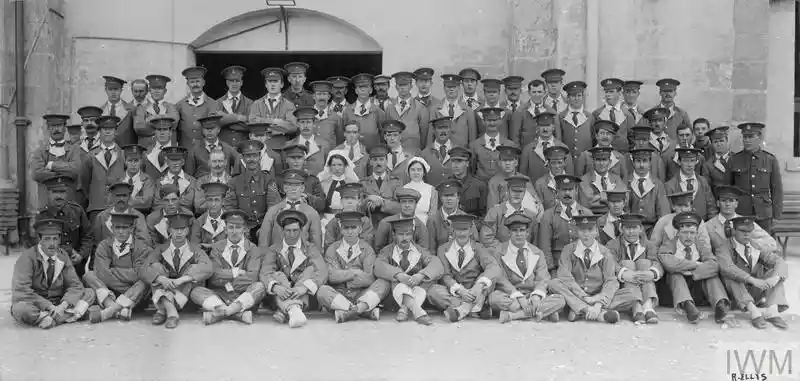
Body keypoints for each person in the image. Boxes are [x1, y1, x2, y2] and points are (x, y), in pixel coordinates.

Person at [550, 214, 638, 324]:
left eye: (590, 230)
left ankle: (581, 310)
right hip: (577, 293)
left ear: (596, 231)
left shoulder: (605, 252)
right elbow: (564, 276)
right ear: (577, 232)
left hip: (598, 294)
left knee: (631, 294)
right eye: (582, 230)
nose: (586, 234)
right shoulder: (568, 250)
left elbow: (610, 280)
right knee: (555, 283)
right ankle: (594, 312)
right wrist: (583, 296)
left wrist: (598, 303)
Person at [11, 219, 95, 329]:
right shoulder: (27, 258)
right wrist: (49, 306)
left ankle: (50, 319)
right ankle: (69, 315)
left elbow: (75, 285)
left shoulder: (62, 255)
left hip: (59, 303)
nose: (52, 244)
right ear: (39, 239)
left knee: (89, 292)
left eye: (55, 239)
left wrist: (64, 304)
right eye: (47, 239)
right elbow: (21, 290)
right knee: (19, 308)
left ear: (60, 239)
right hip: (36, 304)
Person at [189, 209, 266, 325]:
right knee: (195, 291)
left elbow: (253, 277)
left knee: (260, 287)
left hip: (243, 295)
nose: (234, 231)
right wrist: (235, 273)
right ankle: (237, 314)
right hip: (221, 295)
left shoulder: (252, 249)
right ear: (225, 230)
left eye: (238, 227)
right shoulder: (217, 248)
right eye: (231, 227)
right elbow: (213, 276)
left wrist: (226, 279)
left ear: (244, 230)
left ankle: (221, 313)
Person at [657, 211, 733, 325]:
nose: (689, 236)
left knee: (711, 275)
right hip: (674, 292)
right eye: (685, 233)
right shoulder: (670, 244)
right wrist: (695, 264)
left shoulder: (700, 246)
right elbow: (668, 262)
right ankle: (687, 306)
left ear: (697, 233)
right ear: (677, 233)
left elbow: (714, 265)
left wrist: (692, 273)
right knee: (675, 274)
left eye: (692, 233)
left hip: (697, 287)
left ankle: (720, 305)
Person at [490, 212, 566, 323]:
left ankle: (513, 315)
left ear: (527, 233)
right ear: (509, 233)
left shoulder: (537, 252)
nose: (518, 234)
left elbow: (543, 277)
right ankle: (544, 313)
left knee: (560, 300)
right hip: (510, 295)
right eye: (515, 231)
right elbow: (501, 279)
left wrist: (536, 296)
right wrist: (518, 297)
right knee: (493, 298)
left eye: (521, 230)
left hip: (532, 295)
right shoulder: (499, 251)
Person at [716, 216, 789, 330]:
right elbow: (727, 268)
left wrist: (775, 277)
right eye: (742, 231)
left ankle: (772, 312)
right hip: (736, 296)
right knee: (731, 276)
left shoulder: (755, 245)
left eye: (749, 231)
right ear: (733, 231)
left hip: (755, 292)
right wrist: (753, 280)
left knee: (774, 273)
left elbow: (778, 261)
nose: (747, 235)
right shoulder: (723, 247)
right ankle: (754, 313)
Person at [316, 211, 389, 323]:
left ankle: (348, 312)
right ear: (341, 229)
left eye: (353, 227)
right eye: (346, 228)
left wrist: (344, 278)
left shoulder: (367, 249)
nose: (350, 232)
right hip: (339, 294)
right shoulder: (332, 249)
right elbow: (331, 276)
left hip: (361, 294)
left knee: (384, 283)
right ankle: (363, 310)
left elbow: (369, 278)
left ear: (360, 229)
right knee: (322, 291)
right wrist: (354, 273)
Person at [260, 209, 328, 328]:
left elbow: (322, 272)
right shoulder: (274, 249)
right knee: (278, 275)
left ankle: (285, 310)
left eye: (295, 230)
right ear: (282, 231)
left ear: (301, 230)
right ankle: (294, 309)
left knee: (310, 270)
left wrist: (304, 287)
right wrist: (276, 287)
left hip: (304, 294)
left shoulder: (309, 248)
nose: (292, 235)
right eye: (288, 230)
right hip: (280, 293)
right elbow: (265, 272)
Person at [143, 212, 212, 329]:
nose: (179, 232)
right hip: (165, 285)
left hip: (184, 292)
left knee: (193, 269)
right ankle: (171, 312)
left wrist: (183, 279)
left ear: (188, 231)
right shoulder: (161, 248)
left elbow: (208, 267)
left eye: (182, 229)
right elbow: (144, 268)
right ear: (169, 229)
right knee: (155, 267)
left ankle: (162, 310)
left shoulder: (195, 249)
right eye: (175, 229)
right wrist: (160, 278)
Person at [83, 213, 152, 323]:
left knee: (145, 281)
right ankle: (116, 308)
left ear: (131, 228)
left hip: (135, 295)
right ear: (112, 228)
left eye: (124, 228)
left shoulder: (142, 248)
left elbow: (139, 274)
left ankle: (109, 311)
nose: (120, 231)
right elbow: (102, 274)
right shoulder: (104, 246)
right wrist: (127, 274)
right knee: (89, 275)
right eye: (117, 227)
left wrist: (113, 271)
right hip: (110, 293)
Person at [428, 214, 498, 322]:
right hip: (455, 292)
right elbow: (445, 275)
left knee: (491, 278)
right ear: (453, 231)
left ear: (470, 231)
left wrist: (478, 286)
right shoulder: (443, 249)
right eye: (458, 230)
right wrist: (460, 291)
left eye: (465, 229)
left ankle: (462, 311)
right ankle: (477, 307)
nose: (461, 233)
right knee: (433, 292)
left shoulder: (478, 247)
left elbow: (492, 266)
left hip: (475, 290)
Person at [375, 217, 443, 325]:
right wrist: (398, 275)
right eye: (400, 234)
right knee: (395, 281)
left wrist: (421, 275)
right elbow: (378, 265)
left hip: (417, 292)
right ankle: (418, 312)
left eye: (408, 234)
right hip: (393, 300)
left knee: (425, 284)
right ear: (394, 235)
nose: (405, 238)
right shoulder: (387, 251)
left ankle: (405, 308)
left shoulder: (420, 251)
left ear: (412, 235)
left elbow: (437, 264)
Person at [724, 122, 782, 236]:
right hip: (741, 211)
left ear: (759, 138)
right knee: (742, 244)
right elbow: (728, 189)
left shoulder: (770, 160)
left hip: (764, 213)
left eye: (750, 137)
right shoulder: (734, 160)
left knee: (765, 246)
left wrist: (776, 215)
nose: (747, 140)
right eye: (745, 137)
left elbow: (777, 189)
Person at [605, 213, 662, 324]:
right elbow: (610, 263)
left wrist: (652, 273)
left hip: (644, 283)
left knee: (645, 263)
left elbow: (657, 262)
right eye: (627, 228)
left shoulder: (649, 245)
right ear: (621, 229)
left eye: (634, 228)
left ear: (640, 229)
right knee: (627, 264)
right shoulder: (612, 245)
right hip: (623, 286)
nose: (631, 232)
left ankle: (648, 306)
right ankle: (636, 307)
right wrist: (624, 273)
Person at [35, 175, 93, 278]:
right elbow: (39, 244)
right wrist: (68, 251)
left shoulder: (77, 211)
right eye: (55, 192)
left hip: (76, 268)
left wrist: (81, 255)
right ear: (48, 193)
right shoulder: (42, 216)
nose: (59, 196)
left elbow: (87, 237)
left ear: (67, 193)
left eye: (62, 192)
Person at [224, 140, 282, 241]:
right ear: (242, 158)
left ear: (260, 157)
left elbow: (273, 207)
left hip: (264, 227)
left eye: (254, 156)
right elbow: (230, 209)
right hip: (241, 229)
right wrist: (241, 228)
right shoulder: (234, 182)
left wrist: (265, 228)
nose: (251, 159)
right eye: (248, 156)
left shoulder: (268, 180)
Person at [537, 175, 592, 274]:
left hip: (583, 268)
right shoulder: (548, 215)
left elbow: (594, 245)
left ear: (576, 191)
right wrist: (551, 270)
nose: (567, 193)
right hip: (558, 268)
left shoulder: (587, 214)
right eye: (563, 190)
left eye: (570, 189)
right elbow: (545, 247)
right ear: (557, 191)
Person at [258, 169, 323, 249]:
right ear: (284, 188)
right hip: (277, 257)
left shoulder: (312, 213)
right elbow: (264, 240)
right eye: (289, 185)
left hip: (303, 258)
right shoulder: (273, 211)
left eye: (297, 185)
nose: (293, 188)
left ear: (302, 189)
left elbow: (316, 243)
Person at [80, 115, 126, 222]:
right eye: (104, 129)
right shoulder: (90, 156)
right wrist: (94, 196)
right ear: (99, 132)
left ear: (116, 132)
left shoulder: (123, 155)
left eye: (111, 129)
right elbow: (84, 181)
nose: (107, 132)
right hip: (97, 207)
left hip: (118, 206)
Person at [706, 186, 778, 254]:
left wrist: (749, 243)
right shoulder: (708, 226)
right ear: (718, 203)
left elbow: (772, 244)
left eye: (731, 201)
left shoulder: (746, 222)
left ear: (736, 204)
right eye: (724, 201)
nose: (727, 204)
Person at [33, 114, 83, 209]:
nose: (57, 129)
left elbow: (76, 169)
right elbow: (36, 174)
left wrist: (51, 165)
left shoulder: (74, 149)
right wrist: (64, 173)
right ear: (48, 128)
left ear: (64, 128)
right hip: (46, 203)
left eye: (59, 126)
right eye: (53, 126)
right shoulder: (40, 151)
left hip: (69, 202)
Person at [482, 176, 541, 247]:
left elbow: (535, 242)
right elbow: (486, 239)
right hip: (500, 255)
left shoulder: (531, 215)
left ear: (525, 192)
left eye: (520, 191)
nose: (517, 194)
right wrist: (507, 250)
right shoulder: (495, 212)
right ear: (507, 190)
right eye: (514, 190)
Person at [249, 67, 298, 150]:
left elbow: (293, 127)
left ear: (282, 84)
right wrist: (277, 122)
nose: (273, 84)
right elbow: (253, 124)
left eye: (275, 81)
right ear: (265, 84)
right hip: (261, 148)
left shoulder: (289, 105)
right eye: (270, 81)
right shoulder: (256, 103)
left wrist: (263, 122)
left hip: (281, 148)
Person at [91, 182, 151, 250]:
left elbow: (145, 242)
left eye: (124, 196)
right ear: (112, 197)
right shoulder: (101, 217)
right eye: (118, 195)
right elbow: (96, 244)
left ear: (129, 197)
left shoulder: (138, 216)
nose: (121, 199)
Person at [520, 112, 574, 184]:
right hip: (534, 191)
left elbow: (569, 174)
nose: (545, 129)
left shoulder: (563, 148)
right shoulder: (528, 149)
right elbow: (523, 176)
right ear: (537, 127)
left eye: (548, 125)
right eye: (542, 126)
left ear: (553, 127)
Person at [627, 147, 670, 235]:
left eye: (645, 161)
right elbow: (624, 209)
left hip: (653, 229)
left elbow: (663, 212)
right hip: (631, 228)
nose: (642, 165)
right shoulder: (626, 182)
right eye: (638, 161)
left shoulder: (657, 184)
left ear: (650, 162)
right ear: (633, 162)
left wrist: (658, 232)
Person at [426, 179, 480, 251]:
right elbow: (430, 249)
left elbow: (475, 243)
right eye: (446, 196)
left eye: (452, 195)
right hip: (439, 259)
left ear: (458, 198)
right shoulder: (433, 219)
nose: (449, 199)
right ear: (441, 198)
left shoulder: (466, 218)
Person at [665, 148, 717, 220]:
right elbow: (668, 212)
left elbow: (711, 207)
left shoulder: (703, 181)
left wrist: (711, 226)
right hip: (680, 226)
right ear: (679, 162)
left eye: (692, 161)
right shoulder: (670, 185)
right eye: (685, 161)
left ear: (696, 162)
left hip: (703, 225)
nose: (689, 165)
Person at [487, 145, 543, 213]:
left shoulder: (525, 179)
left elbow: (536, 200)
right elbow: (492, 207)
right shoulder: (494, 181)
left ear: (516, 162)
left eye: (510, 160)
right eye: (504, 160)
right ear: (499, 163)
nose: (507, 163)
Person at [322, 183, 374, 252]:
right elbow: (328, 244)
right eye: (346, 198)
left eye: (353, 198)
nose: (349, 201)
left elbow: (367, 243)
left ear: (359, 201)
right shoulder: (334, 222)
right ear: (341, 201)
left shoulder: (364, 221)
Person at [176, 66, 220, 148]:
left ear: (203, 82)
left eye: (197, 81)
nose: (195, 85)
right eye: (192, 82)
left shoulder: (213, 104)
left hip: (205, 149)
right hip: (186, 150)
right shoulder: (180, 105)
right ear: (187, 84)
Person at [385, 71, 430, 151]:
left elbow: (424, 134)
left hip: (413, 151)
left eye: (405, 85)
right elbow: (386, 131)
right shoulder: (390, 107)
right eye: (400, 85)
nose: (403, 88)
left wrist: (420, 150)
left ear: (411, 86)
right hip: (394, 151)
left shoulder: (420, 107)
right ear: (396, 87)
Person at [275, 143, 326, 211]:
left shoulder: (312, 180)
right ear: (286, 160)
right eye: (292, 158)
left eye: (299, 158)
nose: (296, 161)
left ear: (304, 160)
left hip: (308, 216)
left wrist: (307, 197)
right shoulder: (279, 179)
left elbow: (322, 205)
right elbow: (272, 203)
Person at [430, 74, 477, 148]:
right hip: (441, 155)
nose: (451, 89)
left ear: (459, 88)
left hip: (462, 155)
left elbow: (472, 139)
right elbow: (430, 137)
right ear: (444, 88)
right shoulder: (434, 110)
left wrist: (472, 157)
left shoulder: (468, 111)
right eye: (448, 87)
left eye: (454, 87)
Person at [470, 107, 516, 181]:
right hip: (482, 186)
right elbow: (472, 170)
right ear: (483, 122)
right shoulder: (474, 145)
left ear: (500, 121)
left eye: (495, 120)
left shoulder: (509, 145)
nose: (492, 123)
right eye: (489, 120)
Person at [185, 115, 238, 179]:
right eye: (206, 129)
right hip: (202, 186)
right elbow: (189, 175)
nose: (209, 131)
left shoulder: (227, 149)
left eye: (212, 128)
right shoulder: (194, 150)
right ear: (202, 130)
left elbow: (240, 165)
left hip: (223, 186)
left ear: (218, 129)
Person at [578, 146, 626, 215]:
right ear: (593, 162)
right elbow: (587, 203)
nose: (601, 163)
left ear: (609, 162)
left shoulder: (617, 178)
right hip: (593, 217)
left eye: (604, 160)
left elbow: (625, 201)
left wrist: (599, 197)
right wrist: (612, 199)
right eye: (598, 160)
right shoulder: (584, 180)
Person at [318, 151, 360, 230]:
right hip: (327, 219)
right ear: (329, 166)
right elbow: (319, 203)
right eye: (334, 165)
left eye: (340, 165)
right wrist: (323, 219)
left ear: (345, 166)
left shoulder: (353, 182)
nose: (337, 168)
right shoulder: (323, 183)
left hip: (348, 219)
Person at [342, 73, 386, 148]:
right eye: (360, 87)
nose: (362, 89)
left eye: (365, 87)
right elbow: (344, 133)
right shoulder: (348, 110)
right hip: (353, 152)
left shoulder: (378, 111)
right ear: (356, 91)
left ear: (371, 90)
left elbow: (383, 135)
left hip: (372, 153)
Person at [154, 146, 201, 215]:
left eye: (177, 160)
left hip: (186, 217)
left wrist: (166, 202)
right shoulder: (159, 182)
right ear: (167, 162)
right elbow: (156, 204)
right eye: (172, 160)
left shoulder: (192, 181)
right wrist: (180, 201)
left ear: (182, 162)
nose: (175, 163)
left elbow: (190, 203)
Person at [135, 74, 178, 148]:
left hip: (167, 148)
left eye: (160, 88)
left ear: (165, 91)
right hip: (147, 148)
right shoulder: (141, 107)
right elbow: (139, 128)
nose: (156, 91)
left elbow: (174, 123)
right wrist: (164, 125)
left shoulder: (171, 107)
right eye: (154, 88)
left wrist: (150, 120)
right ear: (149, 90)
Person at [591, 78, 633, 152]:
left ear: (619, 93)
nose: (608, 95)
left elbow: (632, 138)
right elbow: (593, 138)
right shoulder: (597, 114)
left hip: (622, 155)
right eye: (606, 92)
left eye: (611, 92)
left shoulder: (627, 114)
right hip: (602, 155)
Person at [509, 79, 555, 146]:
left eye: (539, 92)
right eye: (534, 92)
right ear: (529, 93)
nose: (537, 95)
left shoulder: (551, 112)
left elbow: (556, 136)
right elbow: (515, 138)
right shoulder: (519, 111)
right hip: (526, 153)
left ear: (544, 92)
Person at [216, 66, 253, 145]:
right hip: (223, 146)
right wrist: (238, 118)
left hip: (243, 146)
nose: (234, 84)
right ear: (227, 82)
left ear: (241, 82)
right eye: (231, 81)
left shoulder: (250, 103)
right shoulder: (218, 103)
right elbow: (217, 123)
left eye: (237, 81)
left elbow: (250, 127)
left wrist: (226, 118)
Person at [447, 146, 487, 217]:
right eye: (453, 161)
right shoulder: (446, 184)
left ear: (467, 163)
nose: (455, 165)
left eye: (459, 161)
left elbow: (483, 215)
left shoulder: (479, 185)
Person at [290, 106, 330, 176]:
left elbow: (328, 169)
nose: (305, 126)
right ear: (297, 124)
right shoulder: (289, 145)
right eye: (302, 122)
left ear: (314, 123)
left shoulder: (325, 145)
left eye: (308, 122)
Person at [558, 81, 595, 158]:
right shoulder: (561, 117)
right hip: (567, 160)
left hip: (586, 160)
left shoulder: (590, 117)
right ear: (568, 98)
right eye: (573, 96)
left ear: (583, 97)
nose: (576, 98)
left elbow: (594, 139)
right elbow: (559, 140)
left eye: (579, 95)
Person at [118, 144, 156, 215]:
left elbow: (146, 203)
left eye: (136, 161)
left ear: (141, 161)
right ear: (125, 162)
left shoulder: (147, 180)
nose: (133, 164)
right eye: (130, 161)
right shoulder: (118, 179)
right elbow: (110, 201)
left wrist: (122, 201)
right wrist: (137, 200)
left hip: (140, 217)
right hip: (120, 217)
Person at [190, 182, 230, 250]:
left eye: (217, 200)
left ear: (223, 201)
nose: (213, 204)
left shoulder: (230, 220)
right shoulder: (198, 223)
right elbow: (195, 248)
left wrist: (211, 246)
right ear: (205, 200)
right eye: (210, 200)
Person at [99, 75, 136, 146]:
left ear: (121, 90)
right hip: (106, 154)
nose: (113, 92)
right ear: (105, 90)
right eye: (110, 89)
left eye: (116, 89)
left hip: (126, 153)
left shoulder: (132, 109)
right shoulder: (100, 111)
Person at [418, 116, 455, 186]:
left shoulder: (458, 151)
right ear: (433, 130)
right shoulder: (424, 154)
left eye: (446, 128)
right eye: (440, 128)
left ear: (450, 129)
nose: (443, 131)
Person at [533, 146, 571, 211]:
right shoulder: (540, 184)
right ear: (548, 164)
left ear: (564, 163)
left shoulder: (572, 181)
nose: (557, 166)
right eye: (553, 163)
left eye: (559, 162)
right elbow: (540, 210)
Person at [402, 157, 438, 226]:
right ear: (408, 172)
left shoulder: (431, 189)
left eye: (419, 170)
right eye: (413, 170)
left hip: (425, 225)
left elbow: (433, 213)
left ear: (424, 172)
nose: (416, 173)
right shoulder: (404, 188)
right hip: (407, 225)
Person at [142, 116, 177, 181]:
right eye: (159, 129)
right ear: (155, 132)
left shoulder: (179, 151)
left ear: (170, 132)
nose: (162, 133)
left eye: (165, 129)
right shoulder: (146, 152)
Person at [309, 80, 342, 146]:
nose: (322, 97)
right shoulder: (307, 116)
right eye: (319, 94)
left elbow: (340, 140)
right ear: (313, 96)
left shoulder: (336, 117)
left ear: (328, 97)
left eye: (324, 94)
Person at [702, 126, 731, 191]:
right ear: (711, 144)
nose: (719, 144)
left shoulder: (736, 159)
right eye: (715, 142)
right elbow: (707, 188)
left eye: (721, 141)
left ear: (727, 141)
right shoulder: (708, 165)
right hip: (717, 199)